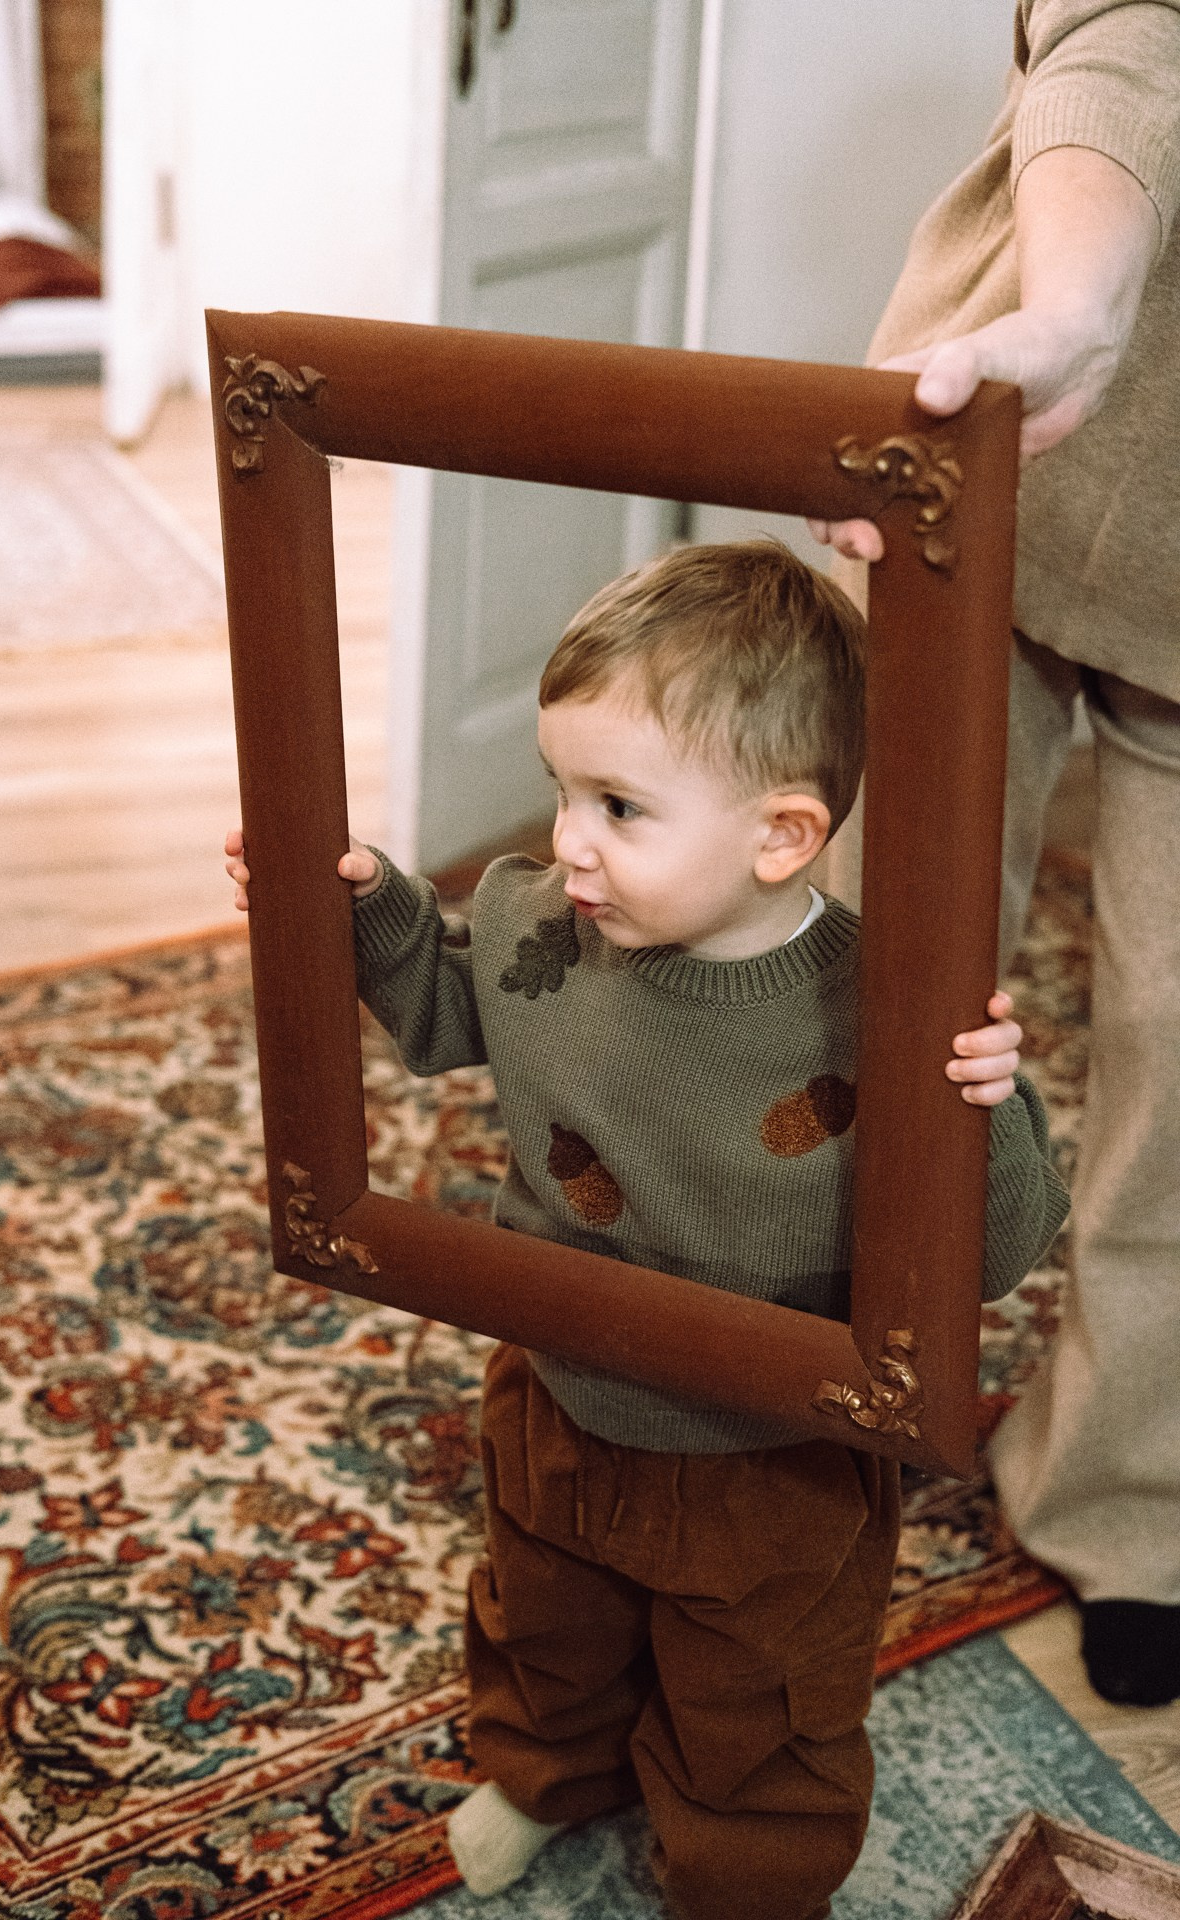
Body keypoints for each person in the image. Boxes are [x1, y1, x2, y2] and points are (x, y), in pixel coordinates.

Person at [225, 541, 1068, 1920]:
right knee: (543, 1618)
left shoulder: (885, 1013)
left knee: (763, 1704)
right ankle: (546, 1771)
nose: (567, 838)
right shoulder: (544, 924)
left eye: (618, 806)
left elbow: (993, 1256)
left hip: (770, 1455)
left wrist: (986, 1107)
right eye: (564, 789)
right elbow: (442, 1002)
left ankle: (745, 1885)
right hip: (562, 1384)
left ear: (781, 836)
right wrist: (358, 908)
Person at [809, 0, 1180, 1708]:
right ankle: (827, 1378)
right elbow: (1120, 43)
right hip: (1001, 443)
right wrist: (1085, 303)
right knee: (875, 968)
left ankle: (1129, 1503)